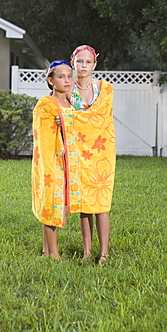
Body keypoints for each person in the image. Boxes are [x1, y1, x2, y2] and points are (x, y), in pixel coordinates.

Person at [69, 45, 116, 264]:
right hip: (78, 152)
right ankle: (87, 252)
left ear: (94, 64)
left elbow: (103, 119)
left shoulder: (105, 89)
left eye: (88, 62)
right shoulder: (68, 89)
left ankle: (104, 253)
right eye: (80, 62)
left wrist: (74, 118)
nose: (83, 66)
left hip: (102, 152)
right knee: (84, 204)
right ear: (73, 62)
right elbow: (60, 113)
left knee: (102, 204)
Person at [32, 60, 74, 259]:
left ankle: (46, 250)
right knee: (51, 202)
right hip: (51, 161)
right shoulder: (46, 104)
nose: (66, 80)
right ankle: (53, 252)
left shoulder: (74, 103)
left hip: (70, 161)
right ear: (51, 81)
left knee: (60, 204)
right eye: (60, 77)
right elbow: (44, 137)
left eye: (69, 76)